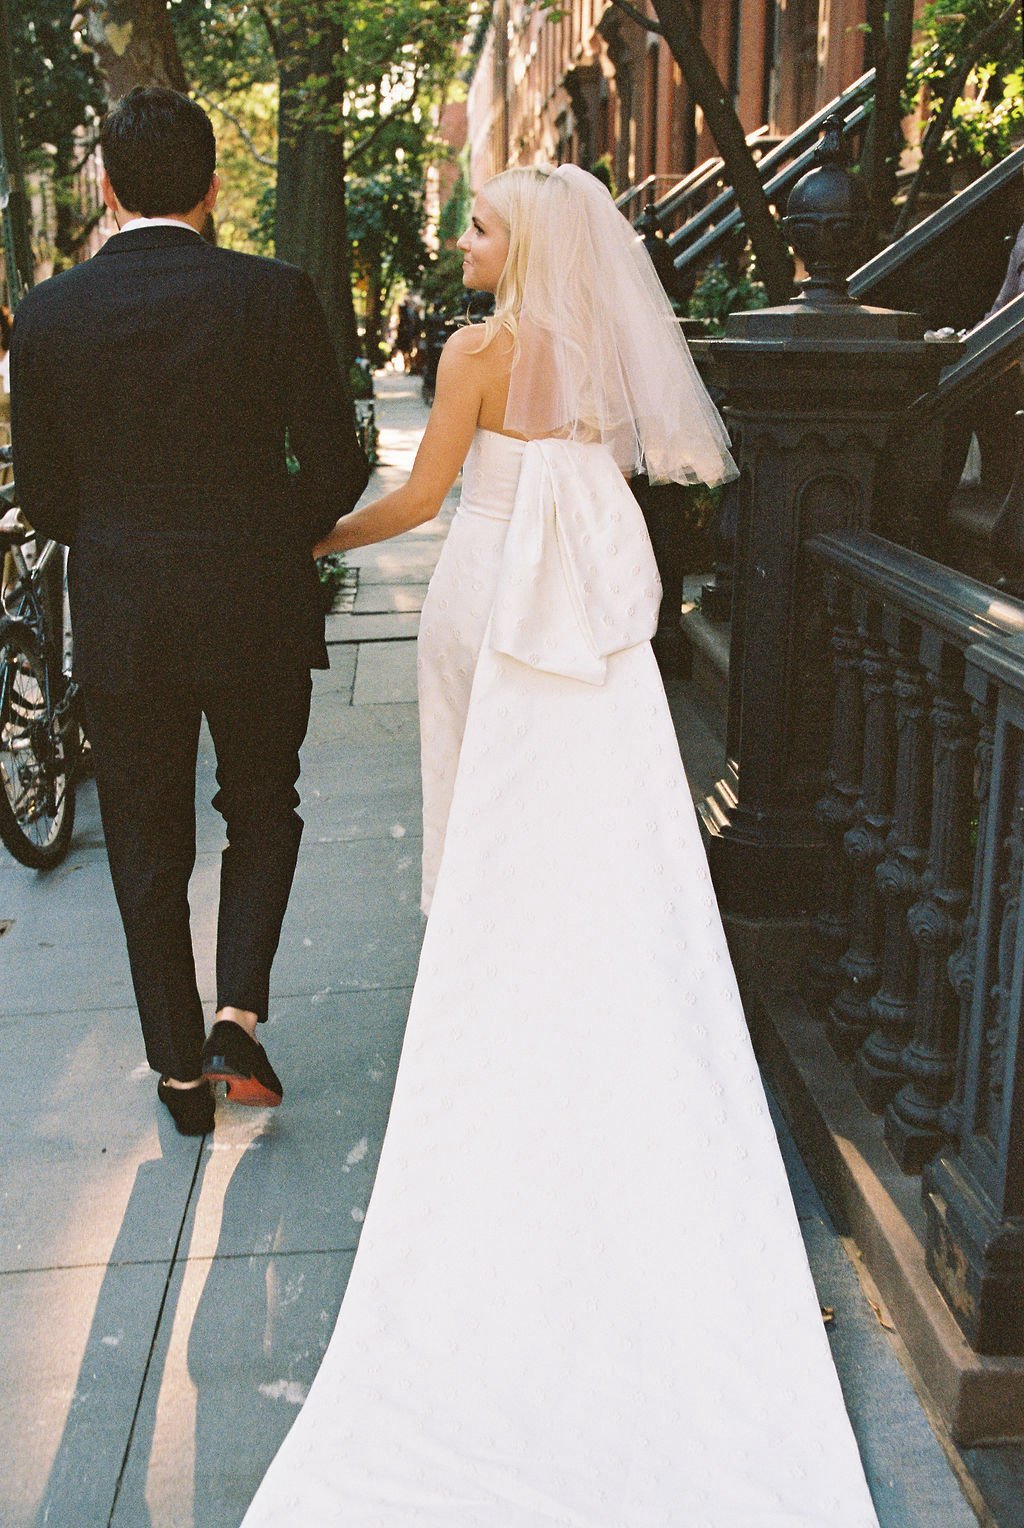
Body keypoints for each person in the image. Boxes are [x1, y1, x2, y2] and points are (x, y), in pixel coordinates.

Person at [241, 165, 881, 1524]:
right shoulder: (599, 356)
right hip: (585, 626)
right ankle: (591, 991)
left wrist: (303, 537)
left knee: (486, 810)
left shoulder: (480, 350)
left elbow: (419, 506)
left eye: (477, 223)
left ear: (523, 244)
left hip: (487, 598)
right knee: (594, 817)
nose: (461, 239)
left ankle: (497, 993)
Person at [10, 87, 369, 1137]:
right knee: (262, 805)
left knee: (143, 839)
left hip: (125, 613)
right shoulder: (273, 294)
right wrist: (273, 533)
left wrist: (121, 534)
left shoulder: (49, 315)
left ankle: (175, 1070)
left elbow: (41, 498)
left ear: (107, 189)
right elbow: (338, 459)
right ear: (214, 185)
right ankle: (237, 1014)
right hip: (252, 600)